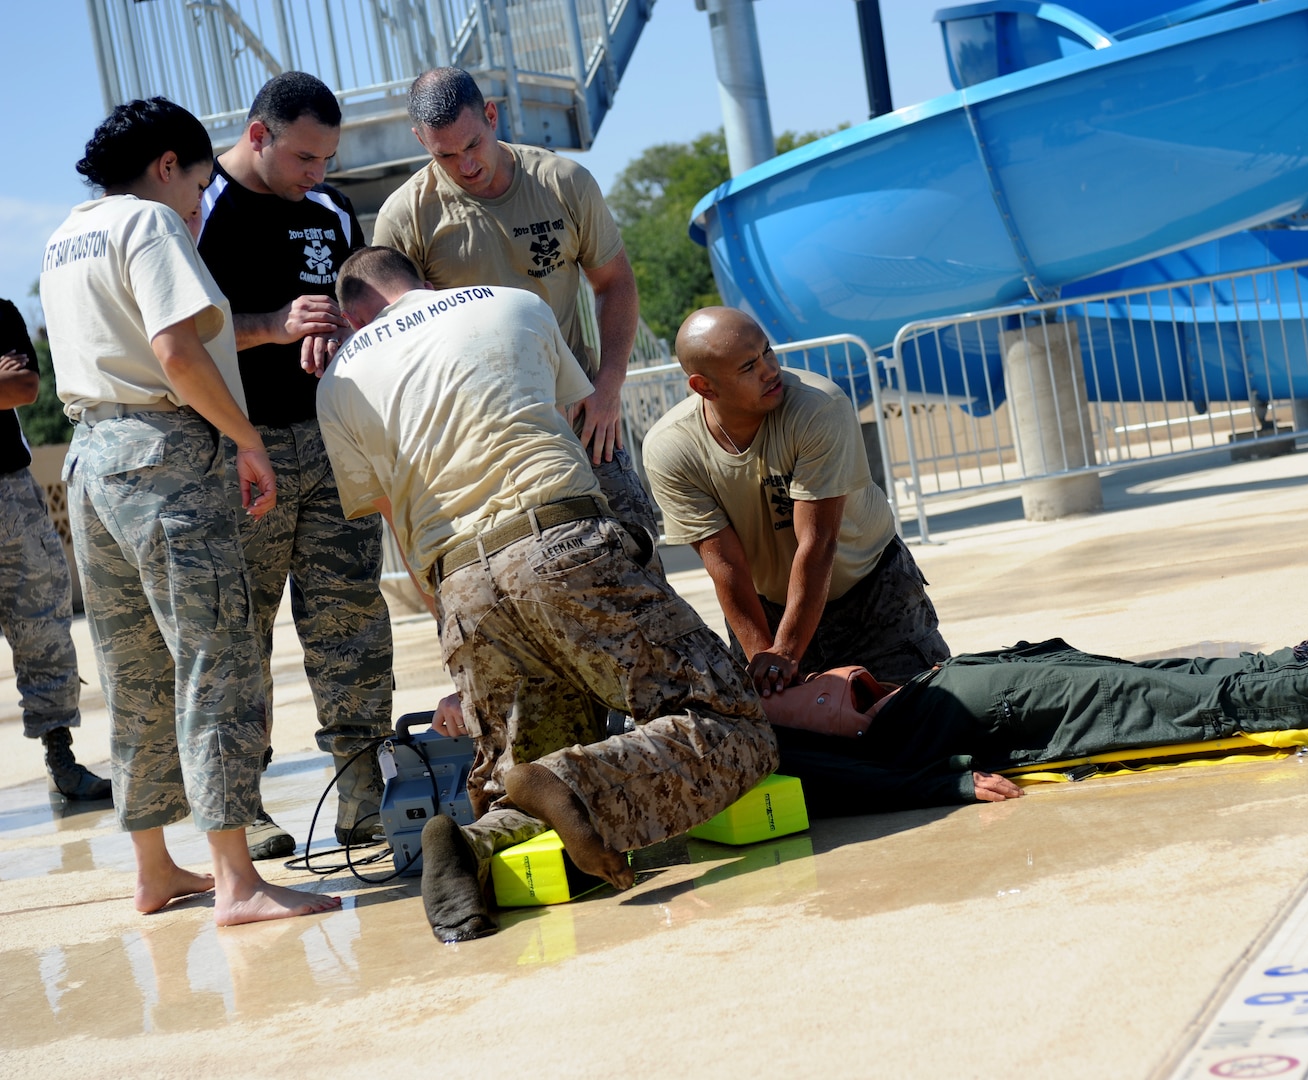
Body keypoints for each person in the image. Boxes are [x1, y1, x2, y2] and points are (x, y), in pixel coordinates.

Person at [315, 246, 775, 943]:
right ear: (422, 283)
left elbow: (392, 515)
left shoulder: (340, 375)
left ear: (355, 316)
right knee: (731, 723)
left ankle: (470, 848)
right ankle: (575, 782)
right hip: (559, 542)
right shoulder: (510, 302)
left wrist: (454, 633)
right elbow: (566, 416)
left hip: (462, 583)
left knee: (517, 772)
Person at [38, 97, 339, 924]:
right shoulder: (149, 224)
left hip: (93, 461)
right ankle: (239, 881)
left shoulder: (66, 234)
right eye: (199, 182)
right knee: (216, 661)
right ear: (168, 164)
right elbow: (176, 352)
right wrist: (245, 439)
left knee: (135, 671)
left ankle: (154, 870)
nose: (200, 202)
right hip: (167, 459)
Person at [769, 560, 1308, 814]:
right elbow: (826, 775)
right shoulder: (721, 736)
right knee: (1156, 703)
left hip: (943, 689)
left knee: (1161, 680)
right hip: (946, 721)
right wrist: (941, 786)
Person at [195, 71, 394, 859]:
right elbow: (178, 340)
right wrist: (273, 326)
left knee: (350, 622)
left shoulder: (332, 209)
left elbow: (360, 307)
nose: (318, 173)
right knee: (241, 635)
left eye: (328, 157)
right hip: (240, 449)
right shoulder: (198, 207)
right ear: (257, 136)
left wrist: (340, 330)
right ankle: (245, 812)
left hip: (330, 439)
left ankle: (364, 795)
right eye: (305, 157)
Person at [371, 67, 659, 562]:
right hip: (477, 440)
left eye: (473, 145)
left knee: (635, 560)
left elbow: (615, 283)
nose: (465, 166)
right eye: (444, 155)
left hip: (580, 420)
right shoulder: (405, 217)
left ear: (491, 115)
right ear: (420, 140)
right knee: (517, 584)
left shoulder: (562, 182)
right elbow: (393, 340)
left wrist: (609, 385)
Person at [644, 306, 950, 697]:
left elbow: (818, 541)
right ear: (705, 387)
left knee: (921, 720)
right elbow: (726, 566)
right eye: (747, 367)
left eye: (767, 351)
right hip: (766, 608)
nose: (770, 370)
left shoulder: (818, 407)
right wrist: (767, 661)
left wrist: (786, 653)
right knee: (788, 746)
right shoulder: (671, 448)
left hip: (872, 595)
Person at [0, 299, 110, 800]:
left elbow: (23, 387)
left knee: (43, 628)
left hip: (13, 492)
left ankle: (61, 758)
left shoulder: (0, 313)